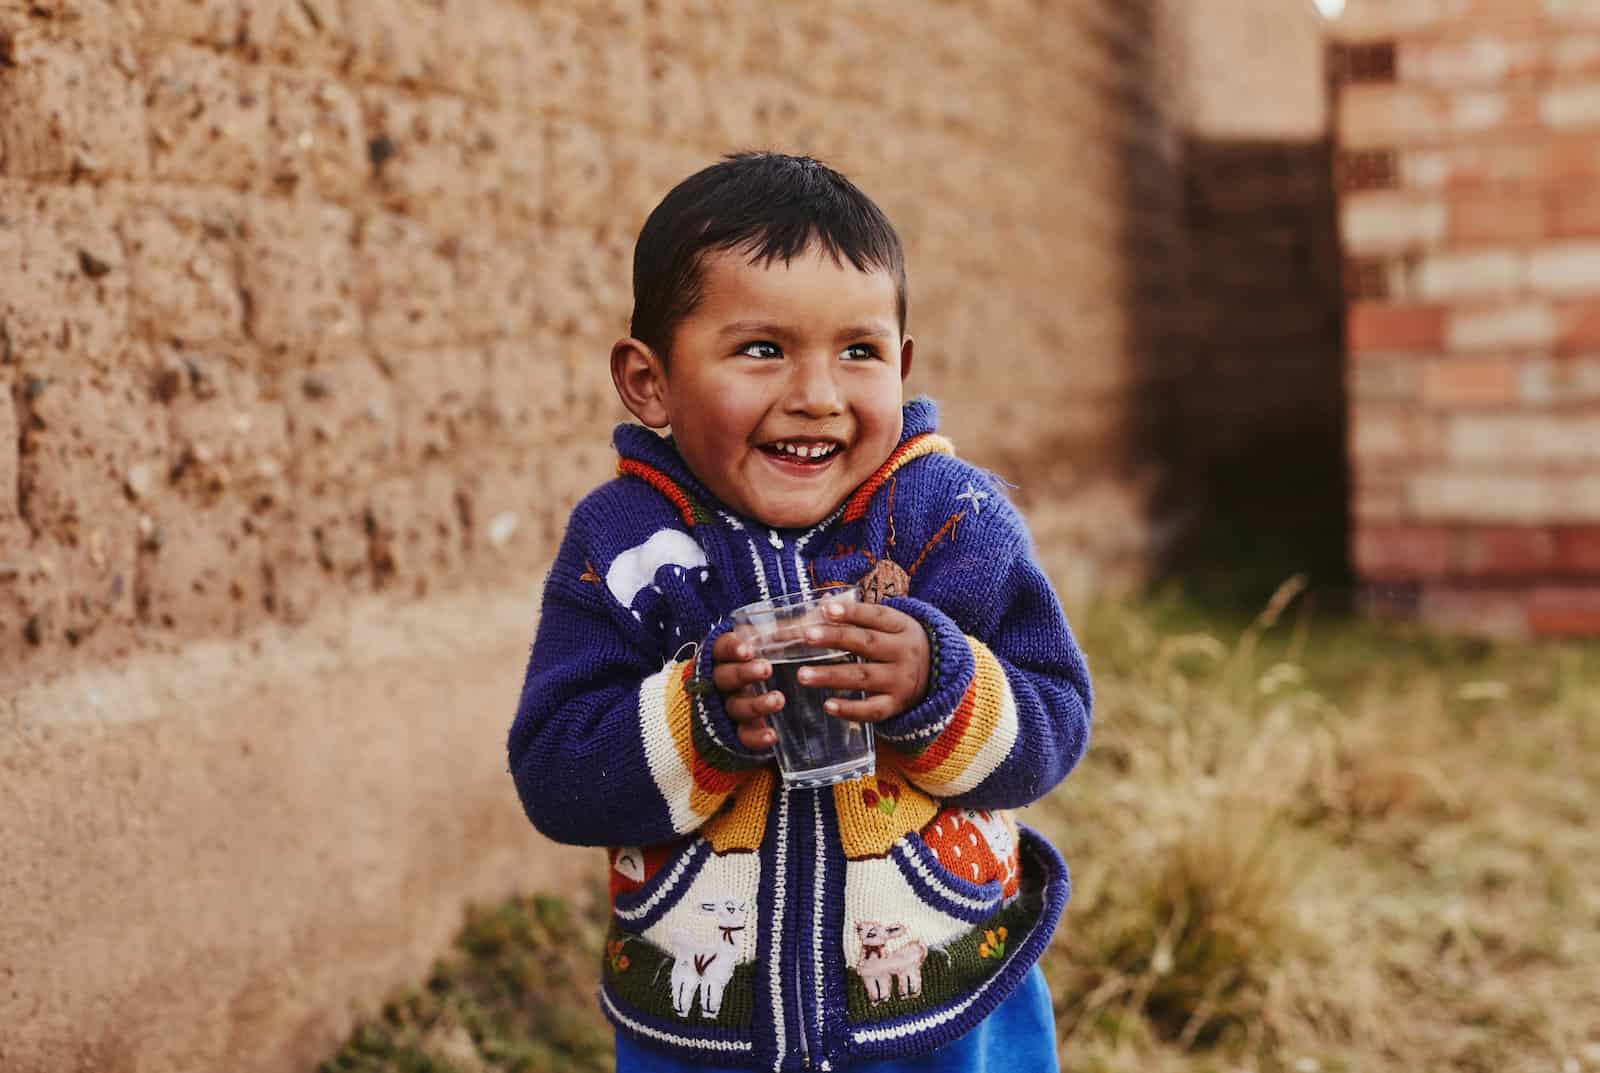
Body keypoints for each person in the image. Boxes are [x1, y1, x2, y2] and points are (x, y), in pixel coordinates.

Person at [508, 152, 1092, 1072]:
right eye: (762, 349)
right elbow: (554, 769)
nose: (817, 394)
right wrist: (700, 715)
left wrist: (940, 683)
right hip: (705, 1031)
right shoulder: (626, 543)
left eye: (858, 352)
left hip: (944, 1013)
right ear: (648, 381)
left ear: (901, 367)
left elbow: (1056, 718)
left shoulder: (952, 518)